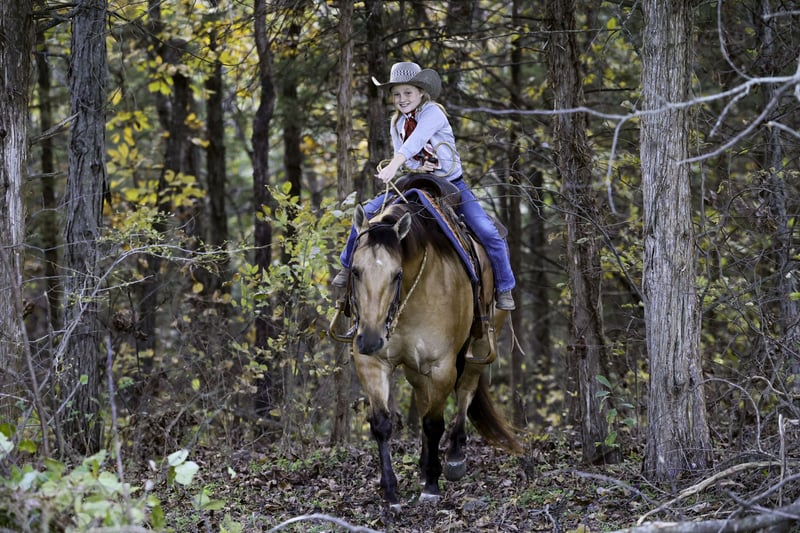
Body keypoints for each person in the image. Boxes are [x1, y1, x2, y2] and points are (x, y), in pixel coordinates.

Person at [332, 61, 515, 310]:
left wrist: (394, 165)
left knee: (487, 231)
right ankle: (346, 267)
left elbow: (414, 143)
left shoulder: (433, 113)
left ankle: (504, 286)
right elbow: (407, 156)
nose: (402, 99)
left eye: (408, 92)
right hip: (416, 182)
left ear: (421, 92)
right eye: (397, 94)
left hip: (450, 184)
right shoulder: (397, 123)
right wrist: (416, 166)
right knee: (366, 214)